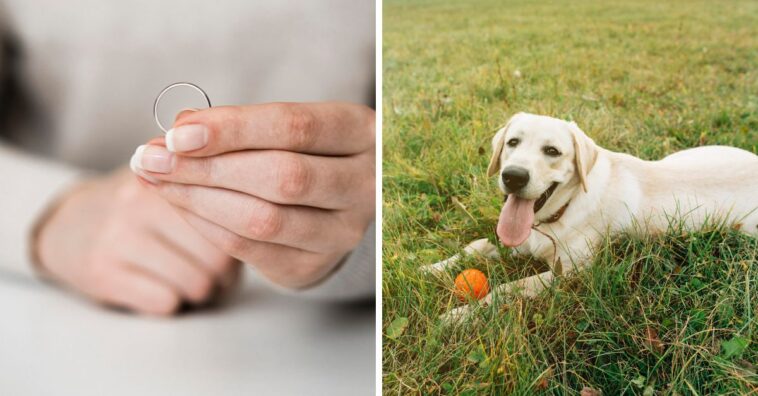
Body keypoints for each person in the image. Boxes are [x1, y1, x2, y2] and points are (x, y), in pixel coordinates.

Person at [0, 0, 375, 315]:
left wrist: (361, 247)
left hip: (318, 325)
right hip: (40, 308)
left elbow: (394, 155)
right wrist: (46, 212)